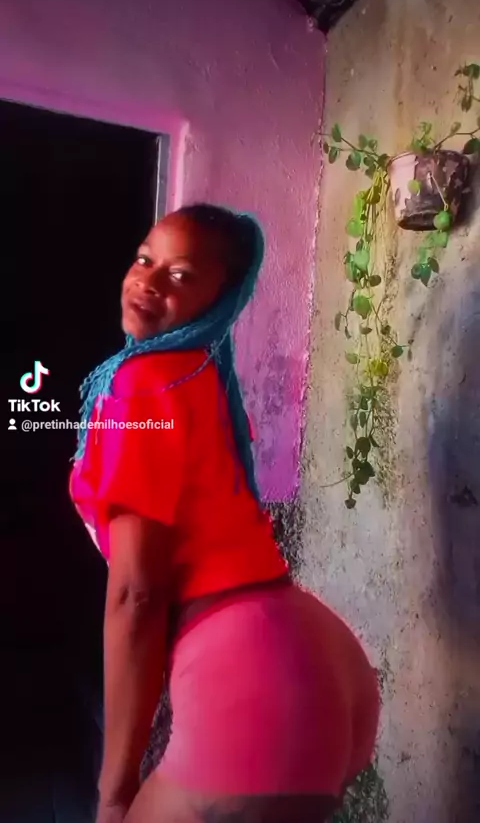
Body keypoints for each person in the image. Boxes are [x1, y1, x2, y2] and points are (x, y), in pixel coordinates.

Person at [70, 204, 380, 823]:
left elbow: (136, 595)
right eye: (144, 259)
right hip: (316, 661)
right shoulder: (199, 372)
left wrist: (113, 791)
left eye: (180, 275)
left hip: (253, 684)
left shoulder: (141, 385)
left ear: (219, 299)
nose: (148, 280)